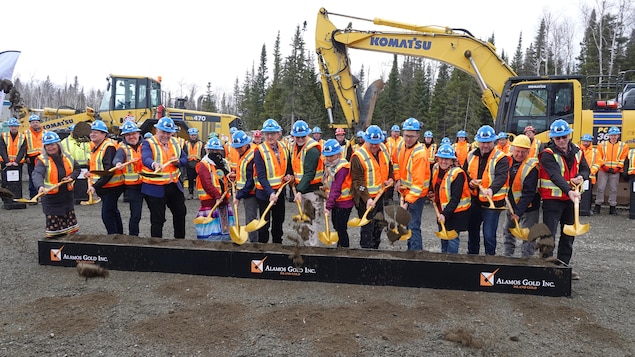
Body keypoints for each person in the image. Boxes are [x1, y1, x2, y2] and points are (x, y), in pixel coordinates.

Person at [538, 119, 589, 280]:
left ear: (569, 136)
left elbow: (585, 168)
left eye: (564, 137)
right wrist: (569, 190)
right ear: (552, 138)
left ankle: (562, 267)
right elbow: (554, 175)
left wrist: (581, 177)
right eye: (557, 138)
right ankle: (546, 267)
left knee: (568, 236)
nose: (561, 140)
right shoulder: (547, 154)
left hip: (570, 200)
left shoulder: (578, 151)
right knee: (549, 235)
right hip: (553, 200)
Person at [463, 125, 510, 255]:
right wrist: (470, 183)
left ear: (493, 141)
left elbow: (501, 176)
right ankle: (472, 258)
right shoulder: (471, 155)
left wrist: (491, 189)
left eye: (488, 142)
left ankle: (490, 259)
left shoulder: (501, 157)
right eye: (483, 143)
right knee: (472, 231)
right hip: (475, 201)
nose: (485, 146)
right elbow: (464, 173)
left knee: (489, 235)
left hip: (492, 202)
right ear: (478, 142)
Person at [141, 116, 188, 239]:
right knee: (158, 219)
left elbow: (185, 159)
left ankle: (180, 242)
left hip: (173, 185)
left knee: (180, 213)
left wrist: (178, 162)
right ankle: (156, 244)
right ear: (157, 131)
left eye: (169, 133)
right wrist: (154, 164)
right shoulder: (148, 143)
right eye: (163, 132)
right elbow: (145, 158)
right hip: (154, 188)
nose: (166, 136)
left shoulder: (175, 143)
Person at [350, 125, 394, 249]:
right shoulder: (358, 157)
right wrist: (367, 198)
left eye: (377, 143)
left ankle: (375, 250)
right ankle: (366, 253)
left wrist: (390, 178)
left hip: (380, 196)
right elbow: (357, 182)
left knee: (379, 226)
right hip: (365, 200)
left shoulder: (383, 149)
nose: (375, 146)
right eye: (371, 143)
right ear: (365, 140)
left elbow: (389, 165)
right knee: (367, 229)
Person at [32, 131, 81, 238]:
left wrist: (71, 177)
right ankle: (55, 250)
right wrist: (40, 186)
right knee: (54, 231)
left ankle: (71, 250)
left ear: (58, 145)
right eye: (47, 145)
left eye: (52, 144)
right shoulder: (42, 160)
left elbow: (77, 169)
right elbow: (37, 174)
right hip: (51, 199)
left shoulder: (67, 156)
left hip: (67, 197)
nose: (50, 147)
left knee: (70, 229)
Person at [253, 118, 293, 244]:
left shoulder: (284, 147)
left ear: (278, 134)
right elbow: (261, 176)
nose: (270, 136)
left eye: (272, 133)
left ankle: (277, 245)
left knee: (278, 220)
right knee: (264, 222)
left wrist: (289, 175)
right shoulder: (259, 150)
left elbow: (288, 166)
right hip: (264, 193)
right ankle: (263, 247)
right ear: (264, 134)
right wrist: (270, 193)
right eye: (267, 134)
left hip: (280, 191)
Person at [392, 118, 429, 251]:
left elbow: (418, 184)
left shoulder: (420, 154)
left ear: (418, 135)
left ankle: (416, 254)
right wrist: (397, 179)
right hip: (405, 190)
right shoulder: (401, 145)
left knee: (413, 225)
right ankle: (410, 250)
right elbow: (395, 162)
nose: (408, 139)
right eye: (406, 135)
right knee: (407, 224)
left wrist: (407, 202)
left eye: (411, 136)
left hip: (416, 195)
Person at [501, 135, 540, 258]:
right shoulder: (506, 161)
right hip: (510, 204)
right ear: (512, 149)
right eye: (517, 151)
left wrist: (518, 212)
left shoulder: (532, 167)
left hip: (529, 207)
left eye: (523, 152)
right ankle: (507, 257)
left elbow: (529, 193)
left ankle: (526, 260)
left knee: (528, 235)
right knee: (508, 231)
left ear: (528, 152)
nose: (519, 154)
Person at [429, 144, 471, 253]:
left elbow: (455, 198)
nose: (443, 161)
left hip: (455, 213)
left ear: (452, 160)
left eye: (447, 159)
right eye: (441, 158)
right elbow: (434, 186)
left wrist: (445, 214)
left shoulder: (458, 174)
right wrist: (430, 193)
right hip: (441, 211)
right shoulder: (437, 170)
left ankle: (452, 262)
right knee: (444, 238)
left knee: (452, 240)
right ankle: (444, 262)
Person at [87, 120, 125, 235]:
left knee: (107, 214)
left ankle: (113, 236)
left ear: (104, 134)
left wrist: (94, 186)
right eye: (92, 132)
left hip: (112, 186)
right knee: (113, 211)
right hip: (105, 186)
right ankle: (118, 235)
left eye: (96, 132)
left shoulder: (108, 147)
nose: (93, 134)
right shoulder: (97, 146)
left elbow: (108, 171)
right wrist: (91, 173)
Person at [290, 120, 324, 246]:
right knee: (305, 219)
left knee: (312, 220)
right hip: (301, 187)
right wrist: (290, 176)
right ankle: (306, 244)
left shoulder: (312, 149)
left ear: (307, 135)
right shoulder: (293, 146)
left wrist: (299, 191)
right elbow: (292, 163)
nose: (299, 139)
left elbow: (309, 173)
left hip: (312, 190)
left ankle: (313, 247)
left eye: (302, 136)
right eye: (297, 136)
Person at [195, 138, 233, 240]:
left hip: (223, 201)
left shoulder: (224, 163)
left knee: (225, 231)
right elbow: (206, 183)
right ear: (208, 150)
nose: (214, 153)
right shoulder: (204, 164)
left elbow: (228, 178)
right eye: (212, 150)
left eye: (216, 151)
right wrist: (216, 195)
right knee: (211, 234)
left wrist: (232, 180)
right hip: (210, 202)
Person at [112, 121, 143, 236]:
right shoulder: (122, 148)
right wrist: (118, 163)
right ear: (124, 136)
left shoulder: (146, 145)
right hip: (133, 186)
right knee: (135, 215)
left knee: (156, 214)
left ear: (138, 134)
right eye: (128, 134)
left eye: (133, 133)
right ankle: (133, 237)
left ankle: (155, 239)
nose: (131, 137)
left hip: (148, 183)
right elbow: (117, 158)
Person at [322, 139, 354, 247]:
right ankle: (340, 246)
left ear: (338, 154)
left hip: (344, 202)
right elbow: (330, 182)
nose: (329, 158)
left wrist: (328, 206)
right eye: (327, 156)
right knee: (336, 225)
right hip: (335, 201)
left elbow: (336, 187)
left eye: (331, 156)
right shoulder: (329, 165)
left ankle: (344, 248)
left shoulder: (342, 167)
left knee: (341, 227)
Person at [230, 130, 258, 243]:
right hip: (244, 191)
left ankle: (254, 244)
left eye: (240, 147)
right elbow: (243, 173)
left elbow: (250, 181)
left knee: (250, 220)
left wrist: (238, 196)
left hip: (251, 193)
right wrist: (235, 175)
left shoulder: (252, 156)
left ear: (246, 144)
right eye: (236, 147)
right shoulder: (242, 154)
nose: (238, 149)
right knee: (250, 219)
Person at [594, 126, 629, 215]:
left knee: (614, 189)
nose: (613, 137)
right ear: (609, 135)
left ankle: (612, 207)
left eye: (615, 135)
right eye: (612, 135)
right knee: (600, 188)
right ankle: (597, 206)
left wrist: (618, 168)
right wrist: (604, 166)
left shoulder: (623, 146)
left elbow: (623, 159)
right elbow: (599, 157)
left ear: (618, 136)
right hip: (603, 169)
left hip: (615, 171)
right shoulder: (602, 145)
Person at [0, 118, 27, 200]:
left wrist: (16, 161)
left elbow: (22, 150)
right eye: (12, 126)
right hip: (5, 163)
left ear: (18, 127)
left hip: (17, 164)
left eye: (15, 126)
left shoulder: (22, 137)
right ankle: (6, 200)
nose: (13, 128)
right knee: (5, 182)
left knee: (17, 182)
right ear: (9, 127)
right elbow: (2, 149)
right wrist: (7, 161)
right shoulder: (3, 136)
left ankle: (17, 197)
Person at [24, 114, 44, 199]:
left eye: (36, 122)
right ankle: (33, 196)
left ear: (39, 123)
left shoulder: (45, 132)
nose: (35, 124)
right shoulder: (25, 133)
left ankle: (44, 196)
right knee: (32, 177)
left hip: (42, 158)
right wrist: (26, 157)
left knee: (43, 177)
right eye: (33, 122)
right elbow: (23, 146)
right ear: (30, 124)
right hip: (31, 158)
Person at [185, 128, 204, 199]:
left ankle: (199, 193)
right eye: (192, 135)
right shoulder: (186, 143)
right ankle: (190, 193)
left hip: (198, 163)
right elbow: (184, 153)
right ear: (189, 135)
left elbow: (203, 154)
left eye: (194, 135)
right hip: (189, 163)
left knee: (199, 179)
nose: (193, 136)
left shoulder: (201, 144)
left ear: (196, 135)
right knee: (190, 179)